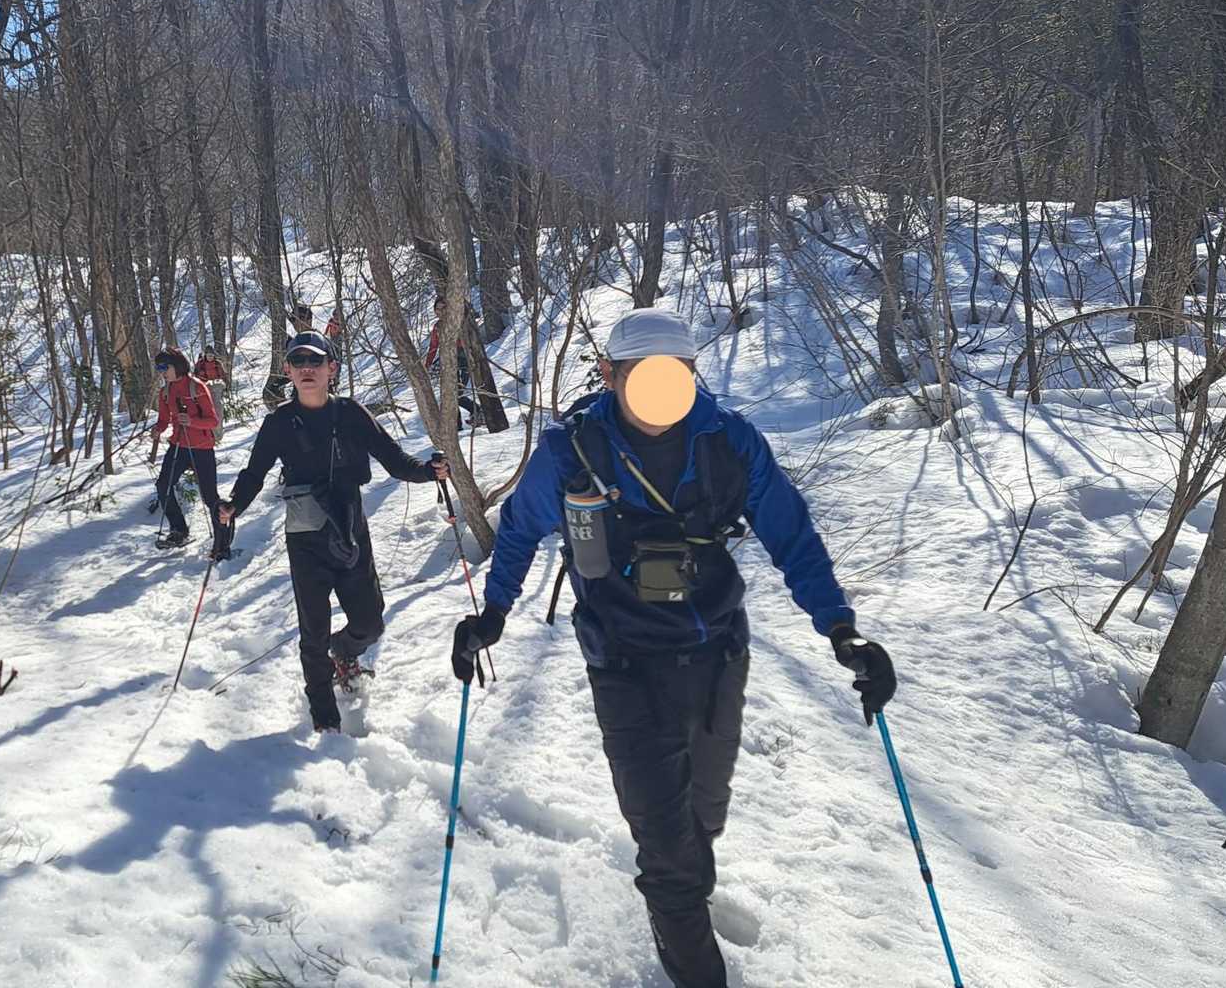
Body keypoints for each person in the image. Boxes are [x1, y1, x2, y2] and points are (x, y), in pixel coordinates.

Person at [449, 309, 895, 988]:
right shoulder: (571, 450)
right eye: (642, 376)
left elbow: (791, 533)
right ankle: (686, 942)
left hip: (718, 649)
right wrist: (493, 613)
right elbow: (517, 530)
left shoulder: (727, 440)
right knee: (667, 849)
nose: (660, 391)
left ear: (690, 373)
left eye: (675, 374)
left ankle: (683, 893)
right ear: (610, 375)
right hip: (623, 660)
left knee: (701, 818)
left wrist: (841, 629)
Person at [221, 330, 449, 731]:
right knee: (313, 631)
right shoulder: (279, 423)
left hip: (350, 528)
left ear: (332, 369)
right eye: (298, 362)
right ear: (288, 370)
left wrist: (429, 472)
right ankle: (325, 719)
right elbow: (254, 472)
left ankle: (343, 651)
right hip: (305, 535)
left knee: (370, 623)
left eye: (315, 361)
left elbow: (394, 460)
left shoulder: (351, 414)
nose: (307, 369)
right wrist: (234, 505)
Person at [148, 348, 232, 558]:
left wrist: (192, 421)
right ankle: (179, 531)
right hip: (178, 446)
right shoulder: (165, 392)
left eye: (164, 367)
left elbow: (212, 421)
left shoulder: (197, 387)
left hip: (202, 447)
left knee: (210, 497)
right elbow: (164, 419)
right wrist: (158, 429)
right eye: (158, 368)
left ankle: (222, 544)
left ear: (176, 366)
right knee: (163, 486)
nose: (161, 372)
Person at [424, 294, 479, 429]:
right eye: (437, 308)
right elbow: (433, 347)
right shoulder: (437, 327)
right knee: (450, 395)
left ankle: (477, 411)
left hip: (463, 360)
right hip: (448, 362)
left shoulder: (457, 322)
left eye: (443, 308)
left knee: (457, 394)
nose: (440, 311)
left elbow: (466, 341)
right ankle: (457, 426)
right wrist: (427, 365)